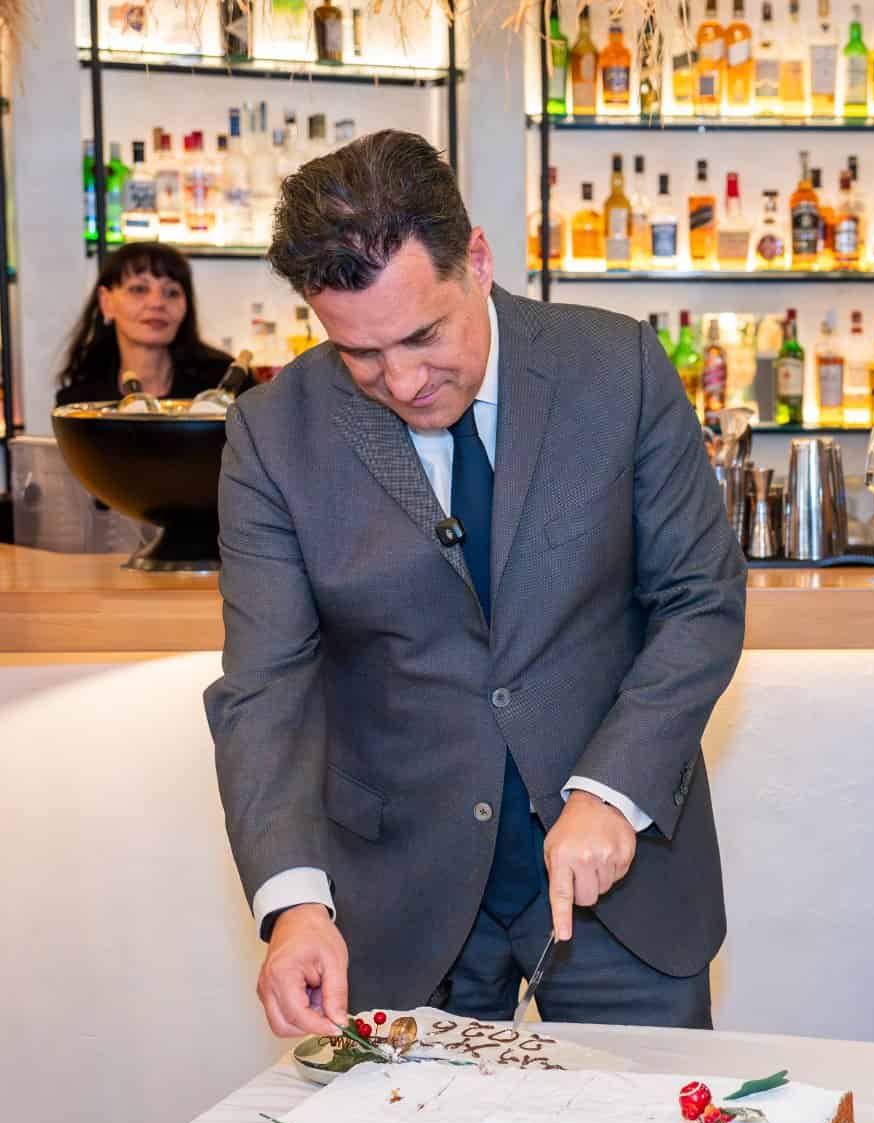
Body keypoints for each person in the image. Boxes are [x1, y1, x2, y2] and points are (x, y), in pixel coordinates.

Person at [204, 131, 746, 1038]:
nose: (404, 381)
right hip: (400, 900)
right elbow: (266, 688)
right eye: (360, 354)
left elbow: (700, 600)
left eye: (424, 335)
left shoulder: (615, 367)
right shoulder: (271, 435)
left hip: (621, 886)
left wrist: (611, 790)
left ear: (480, 261)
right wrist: (295, 903)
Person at [55, 242, 233, 405]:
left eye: (172, 292)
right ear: (106, 302)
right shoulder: (79, 403)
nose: (157, 303)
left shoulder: (226, 385)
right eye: (139, 289)